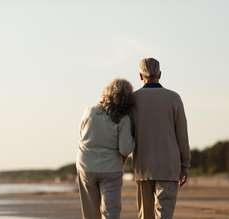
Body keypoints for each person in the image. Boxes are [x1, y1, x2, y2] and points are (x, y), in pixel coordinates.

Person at [132, 58, 191, 219]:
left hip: (143, 167)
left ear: (140, 76)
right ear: (160, 74)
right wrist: (185, 165)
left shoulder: (133, 99)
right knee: (164, 215)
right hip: (169, 166)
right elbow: (182, 135)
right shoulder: (174, 98)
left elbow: (127, 135)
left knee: (146, 216)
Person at [76, 78, 135, 219]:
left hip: (86, 166)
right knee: (111, 211)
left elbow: (81, 133)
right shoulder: (124, 118)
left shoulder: (90, 111)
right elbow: (125, 149)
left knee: (90, 211)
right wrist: (134, 140)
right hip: (110, 168)